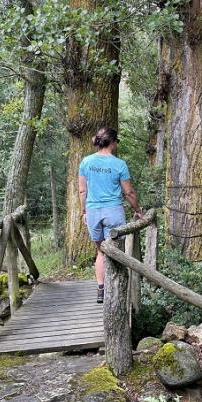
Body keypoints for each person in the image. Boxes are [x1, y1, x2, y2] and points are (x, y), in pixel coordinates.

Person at [79, 127, 142, 303]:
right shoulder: (119, 164)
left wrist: (84, 211)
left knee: (101, 251)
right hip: (113, 211)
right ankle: (116, 293)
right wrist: (138, 210)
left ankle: (101, 289)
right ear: (113, 142)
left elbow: (82, 190)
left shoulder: (86, 162)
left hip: (93, 212)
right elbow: (129, 192)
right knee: (115, 252)